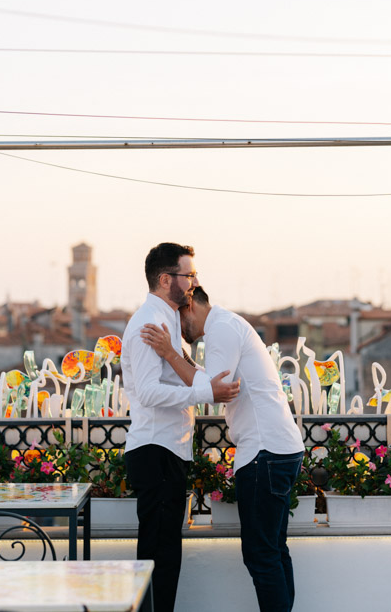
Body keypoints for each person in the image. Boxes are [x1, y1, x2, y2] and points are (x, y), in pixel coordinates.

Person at [141, 286, 305, 612]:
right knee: (273, 551)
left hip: (264, 452)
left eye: (177, 320)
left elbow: (214, 390)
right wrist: (180, 354)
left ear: (189, 306)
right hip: (278, 448)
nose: (179, 331)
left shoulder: (221, 330)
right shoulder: (228, 325)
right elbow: (211, 379)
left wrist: (170, 353)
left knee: (261, 555)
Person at [120, 243, 240, 612]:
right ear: (164, 279)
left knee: (166, 554)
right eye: (188, 275)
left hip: (169, 450)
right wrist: (205, 392)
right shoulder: (147, 323)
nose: (194, 282)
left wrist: (204, 384)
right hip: (155, 450)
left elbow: (182, 374)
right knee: (158, 555)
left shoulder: (169, 320)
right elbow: (147, 392)